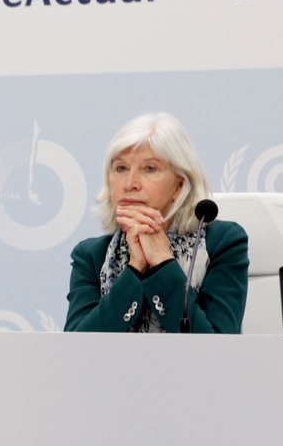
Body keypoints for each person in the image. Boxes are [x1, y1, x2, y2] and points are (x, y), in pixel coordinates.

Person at [65, 113, 248, 333]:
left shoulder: (223, 243)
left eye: (149, 169)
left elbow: (217, 346)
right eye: (121, 168)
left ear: (180, 186)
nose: (130, 184)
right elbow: (77, 347)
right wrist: (135, 269)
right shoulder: (91, 255)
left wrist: (162, 262)